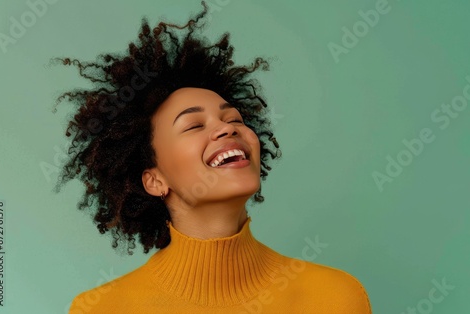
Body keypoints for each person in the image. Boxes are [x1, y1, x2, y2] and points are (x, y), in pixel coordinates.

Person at [54, 2, 372, 313]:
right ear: (154, 180)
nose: (226, 129)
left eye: (234, 119)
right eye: (194, 125)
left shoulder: (336, 297)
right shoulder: (102, 308)